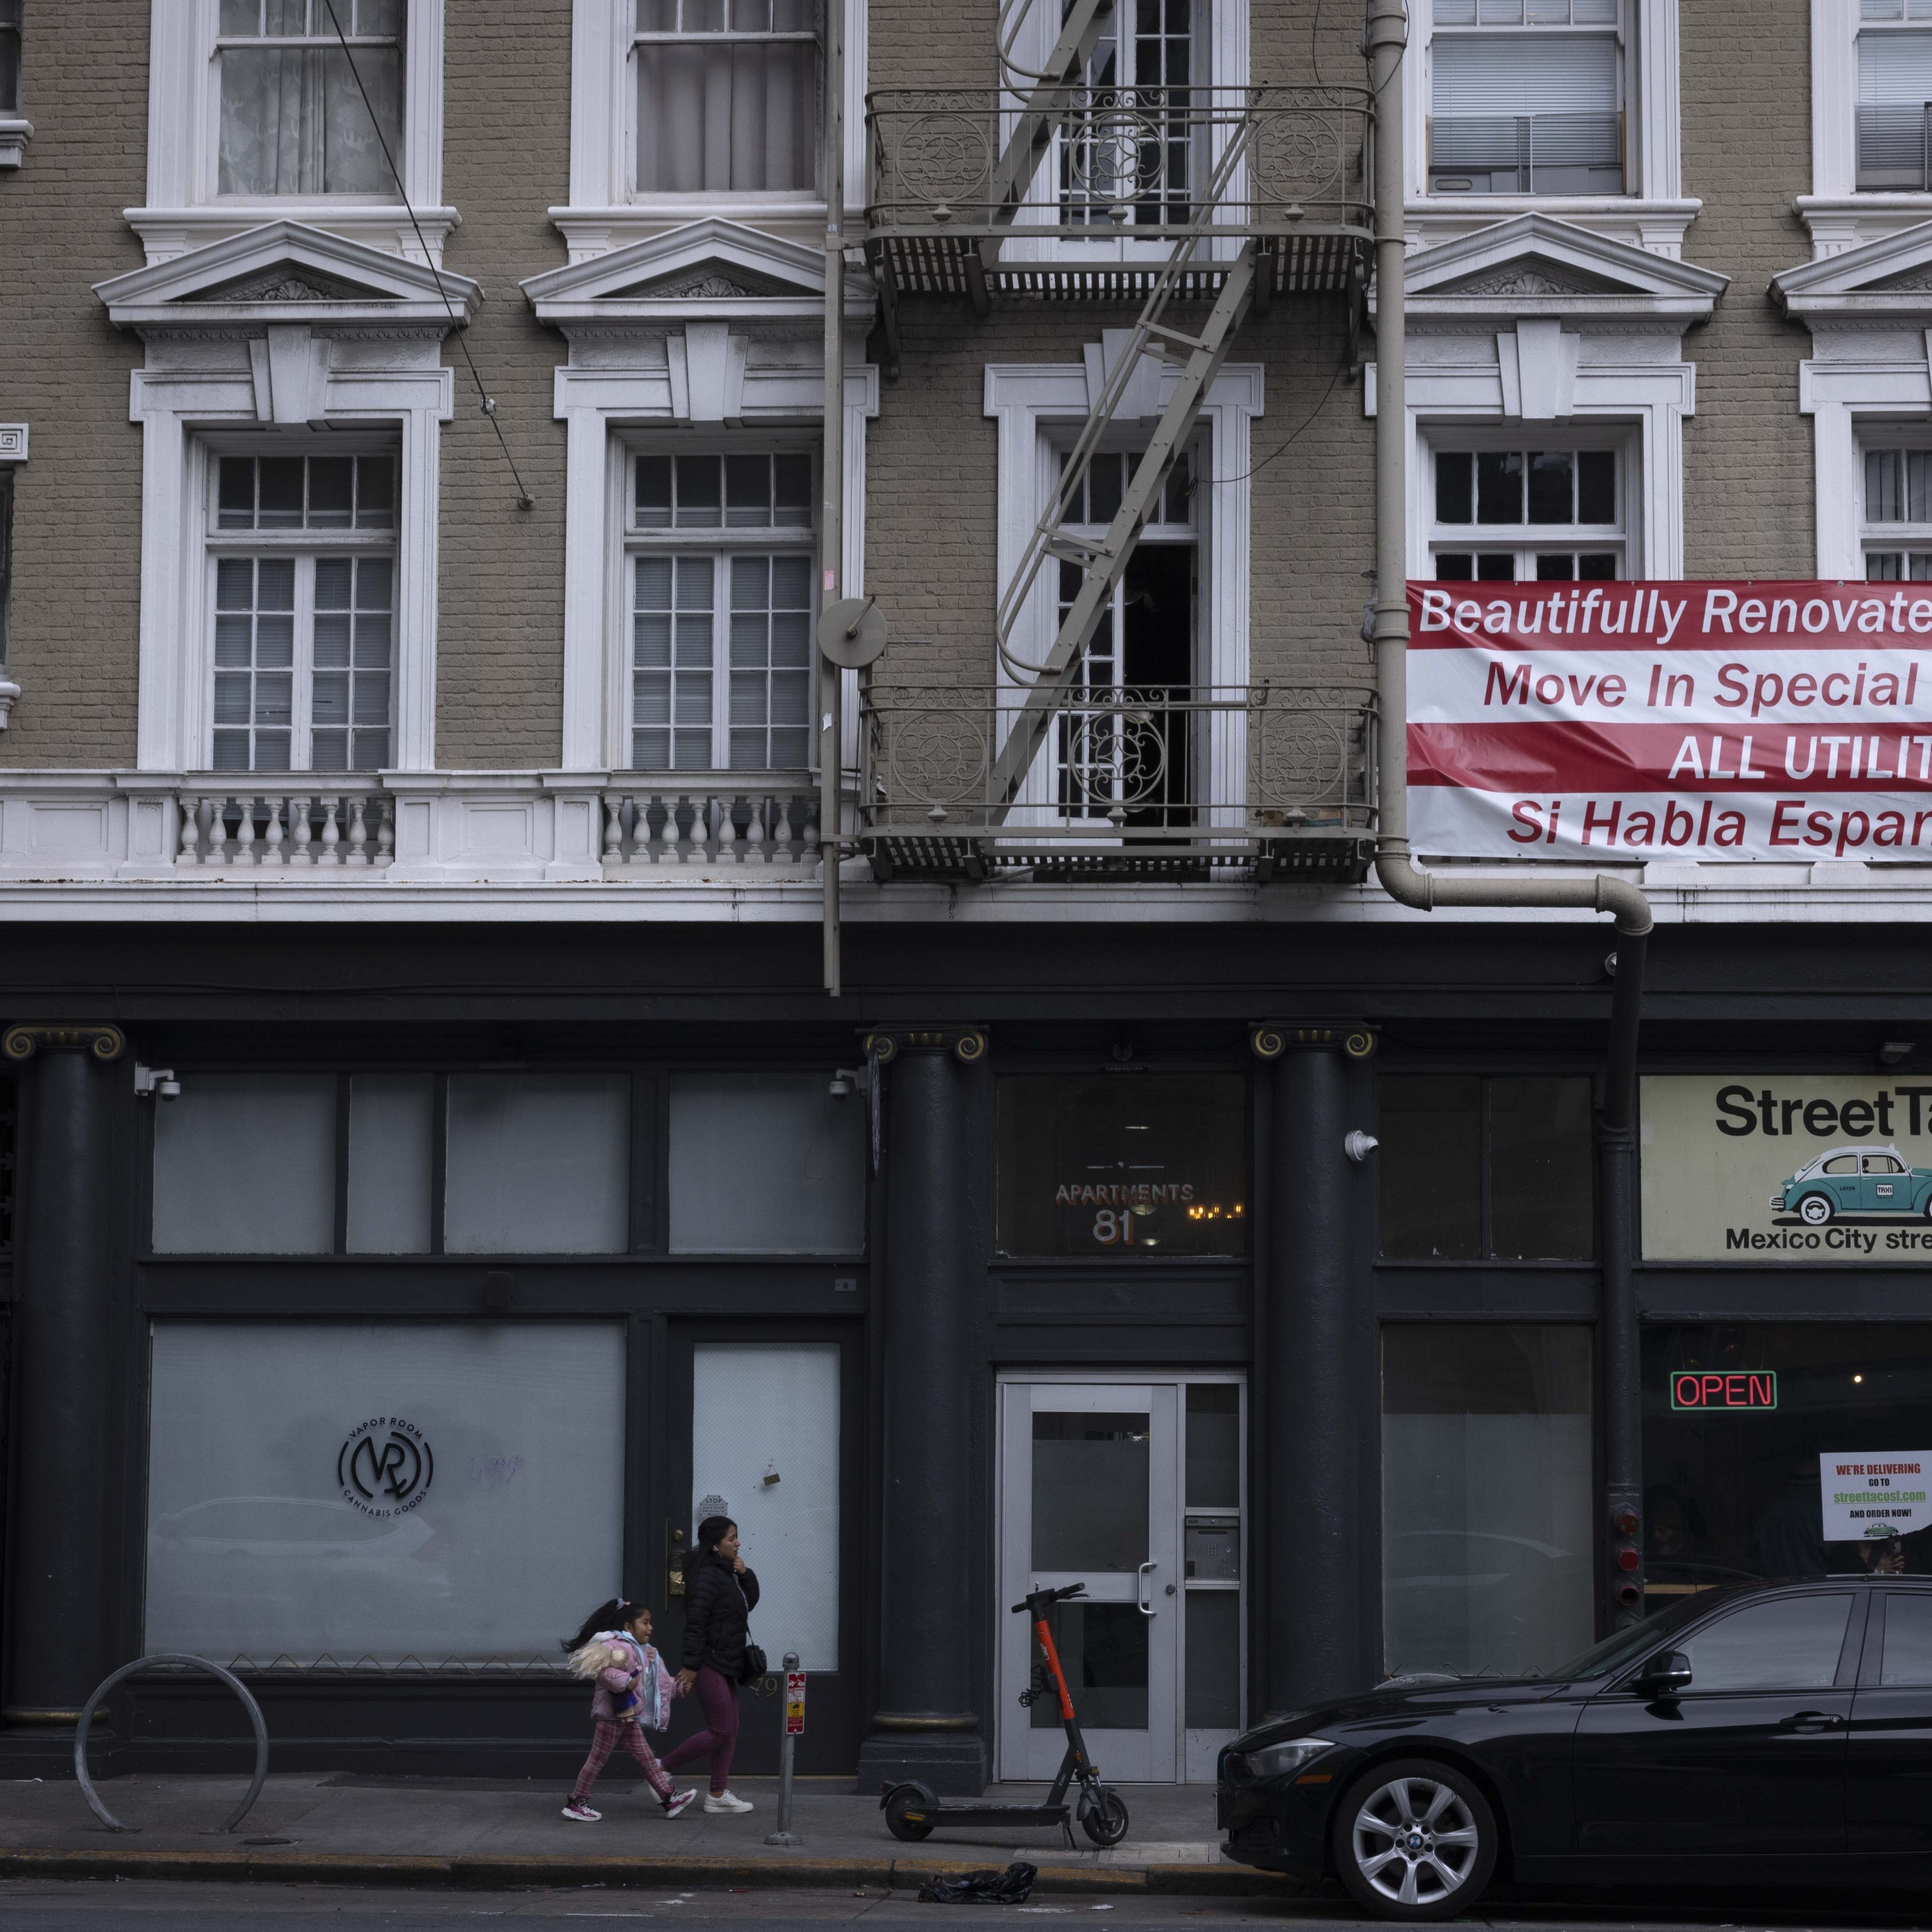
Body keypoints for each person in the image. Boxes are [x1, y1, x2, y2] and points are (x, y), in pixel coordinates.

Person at [559, 1597, 697, 1824]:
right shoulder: (616, 1645)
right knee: (597, 1760)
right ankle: (577, 1802)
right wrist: (626, 1681)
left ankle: (669, 1798)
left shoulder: (645, 1651)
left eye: (650, 1623)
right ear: (628, 1627)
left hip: (628, 1715)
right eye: (645, 1622)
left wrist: (678, 1687)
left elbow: (659, 1683)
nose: (650, 1627)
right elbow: (602, 1672)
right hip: (613, 1714)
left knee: (647, 1759)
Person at [660, 1514, 760, 1814]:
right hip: (708, 1662)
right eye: (732, 1538)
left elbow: (746, 1605)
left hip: (726, 1662)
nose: (738, 1543)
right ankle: (661, 1769)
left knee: (730, 1729)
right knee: (721, 1730)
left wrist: (746, 1575)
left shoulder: (725, 1572)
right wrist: (691, 1665)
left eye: (737, 1537)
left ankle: (717, 1794)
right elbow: (696, 1624)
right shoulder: (707, 1576)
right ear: (716, 1544)